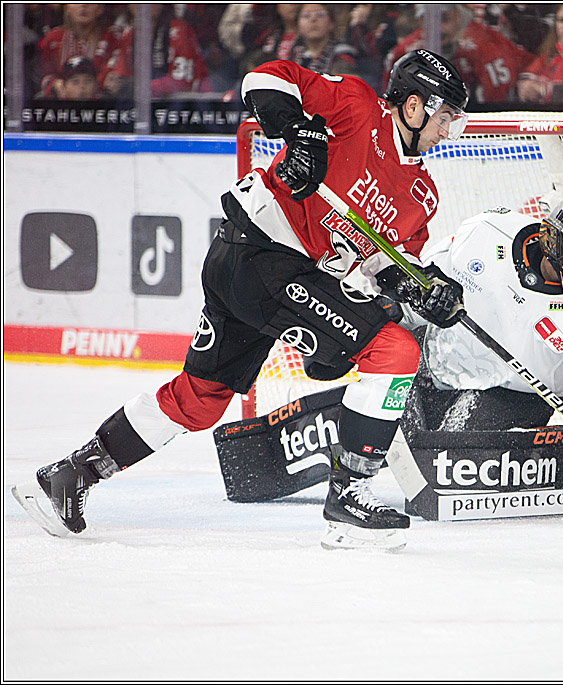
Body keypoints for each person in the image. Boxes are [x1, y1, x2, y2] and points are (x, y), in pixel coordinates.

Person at [12, 49, 471, 553]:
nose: (448, 130)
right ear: (412, 105)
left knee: (200, 399)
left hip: (265, 272)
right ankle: (349, 500)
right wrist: (299, 132)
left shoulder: (422, 195)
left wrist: (423, 286)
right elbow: (264, 77)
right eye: (445, 115)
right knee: (395, 351)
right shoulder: (356, 108)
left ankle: (69, 475)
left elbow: (386, 264)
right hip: (260, 256)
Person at [399, 193, 563, 435]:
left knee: (449, 448)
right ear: (554, 241)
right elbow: (429, 280)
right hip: (438, 358)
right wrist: (408, 307)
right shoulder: (488, 231)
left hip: (516, 394)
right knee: (392, 422)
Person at [385, 4, 533, 105]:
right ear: (419, 21)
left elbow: (495, 103)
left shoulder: (483, 46)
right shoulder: (403, 52)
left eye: (444, 19)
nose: (437, 29)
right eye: (429, 20)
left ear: (457, 16)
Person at [104, 4, 213, 97]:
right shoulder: (129, 34)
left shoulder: (180, 31)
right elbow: (121, 75)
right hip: (148, 105)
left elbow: (180, 83)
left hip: (190, 108)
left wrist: (137, 87)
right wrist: (114, 81)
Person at [35, 3, 119, 98]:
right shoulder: (52, 38)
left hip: (101, 103)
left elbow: (114, 75)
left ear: (100, 8)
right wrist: (54, 84)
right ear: (67, 8)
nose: (83, 5)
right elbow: (42, 74)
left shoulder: (113, 37)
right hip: (61, 103)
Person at [286, 4, 358, 77]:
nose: (313, 19)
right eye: (306, 15)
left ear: (331, 23)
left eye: (320, 14)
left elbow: (345, 83)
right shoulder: (295, 53)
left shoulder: (343, 51)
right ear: (298, 25)